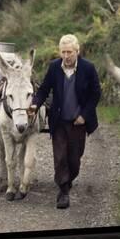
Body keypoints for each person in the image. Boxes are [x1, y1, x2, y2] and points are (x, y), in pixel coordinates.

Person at [28, 34, 101, 209]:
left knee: (74, 159)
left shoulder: (88, 68)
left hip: (78, 122)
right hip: (59, 120)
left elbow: (95, 94)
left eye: (69, 52)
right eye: (63, 52)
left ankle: (69, 179)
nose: (66, 56)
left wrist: (84, 115)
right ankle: (63, 191)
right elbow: (44, 89)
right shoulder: (54, 67)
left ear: (77, 51)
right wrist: (34, 105)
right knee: (60, 157)